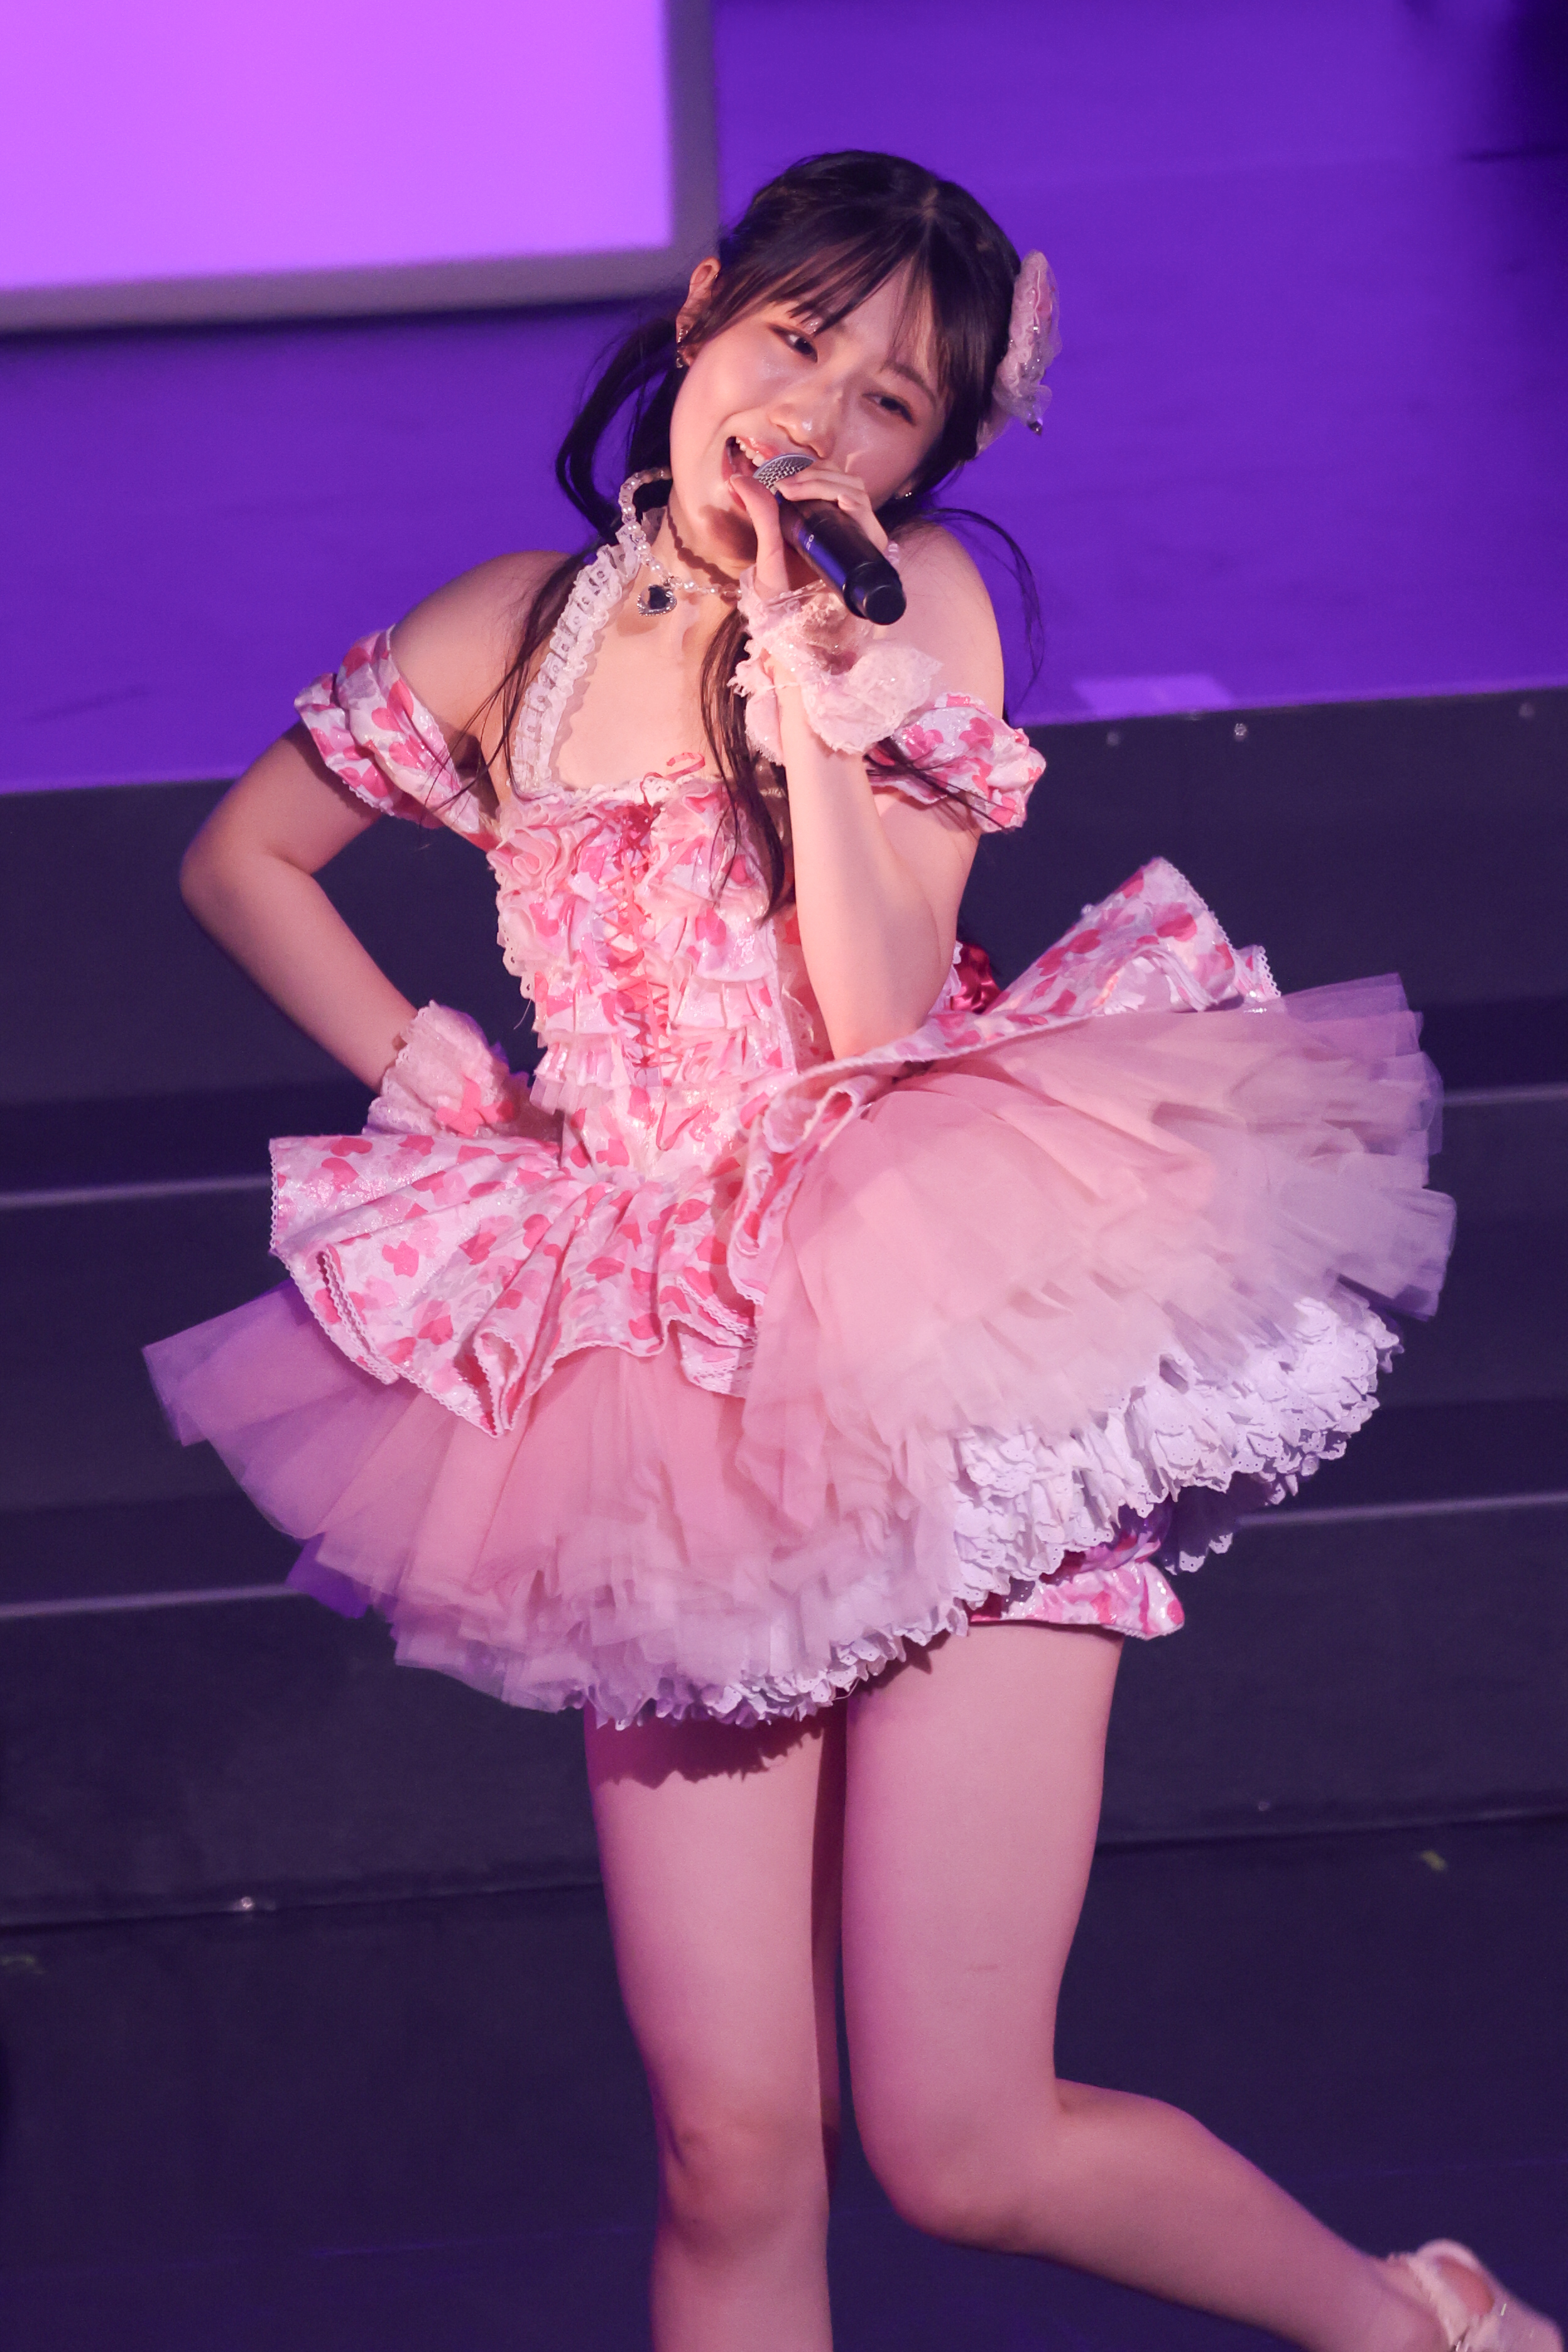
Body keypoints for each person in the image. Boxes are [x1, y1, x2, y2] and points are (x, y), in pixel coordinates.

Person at [146, 151, 1555, 2352]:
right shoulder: (515, 627)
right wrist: (422, 1057)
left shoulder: (921, 617)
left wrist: (822, 682)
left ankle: (1423, 2334)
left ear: (932, 453)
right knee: (732, 2149)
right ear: (704, 310)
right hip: (663, 1374)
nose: (812, 415)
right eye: (793, 342)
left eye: (888, 401)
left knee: (963, 2148)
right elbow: (247, 854)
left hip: (947, 1325)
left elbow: (878, 1006)